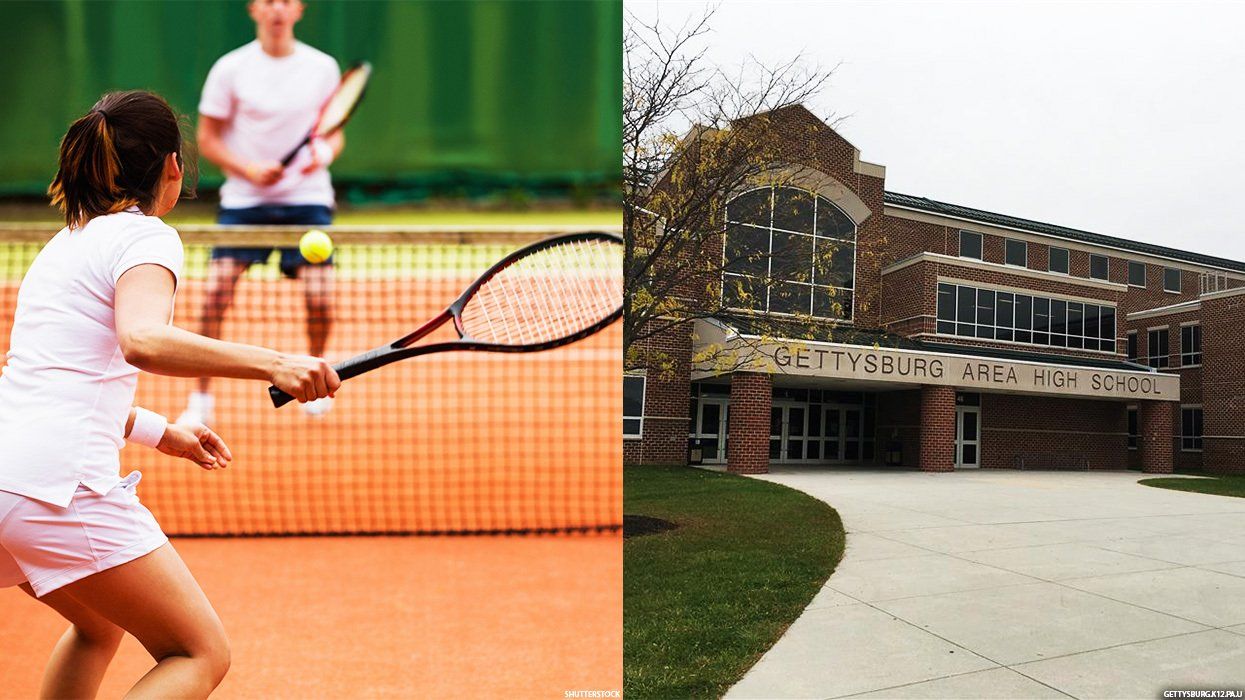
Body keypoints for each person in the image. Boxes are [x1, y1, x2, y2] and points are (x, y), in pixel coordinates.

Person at [0, 90, 338, 698]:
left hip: (7, 479)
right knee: (198, 652)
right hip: (57, 491)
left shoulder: (63, 245)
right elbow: (143, 340)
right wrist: (276, 362)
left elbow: (56, 384)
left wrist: (161, 432)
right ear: (173, 167)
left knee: (96, 625)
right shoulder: (146, 237)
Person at [178, 0, 344, 426]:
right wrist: (248, 168)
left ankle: (316, 377)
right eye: (268, 1)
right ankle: (200, 397)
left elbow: (332, 132)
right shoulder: (230, 69)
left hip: (307, 201)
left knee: (320, 298)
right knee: (215, 295)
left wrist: (321, 153)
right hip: (245, 204)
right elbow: (209, 139)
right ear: (254, 9)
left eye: (285, 1)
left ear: (299, 10)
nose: (277, 9)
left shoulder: (322, 67)